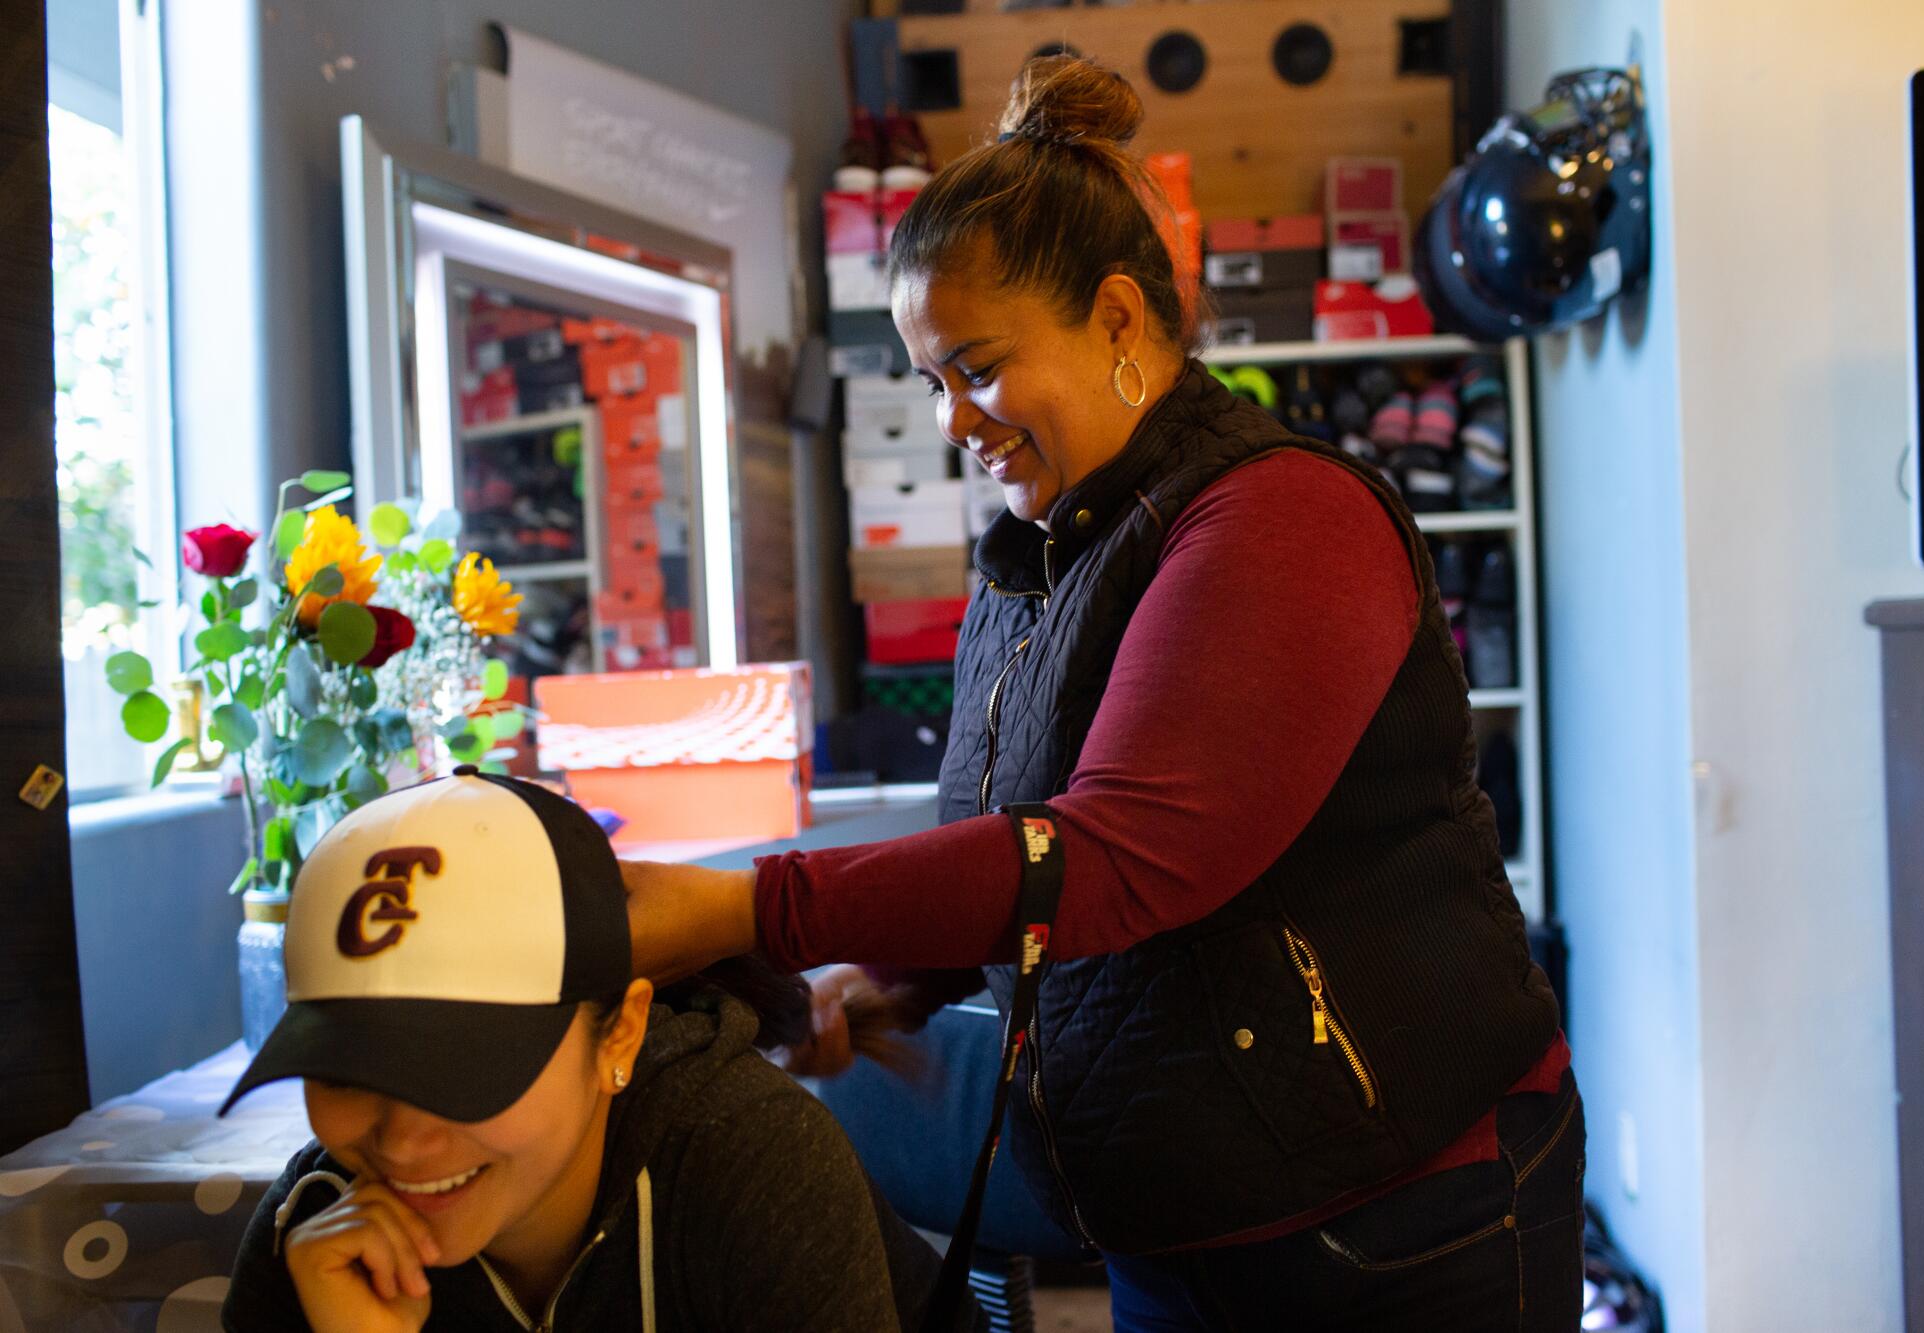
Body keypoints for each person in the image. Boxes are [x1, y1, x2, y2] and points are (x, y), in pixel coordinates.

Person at [624, 55, 1582, 1333]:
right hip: (1179, 1203)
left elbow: (1120, 857)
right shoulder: (1043, 554)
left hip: (1392, 1212)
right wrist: (899, 979)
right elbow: (1016, 843)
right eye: (929, 381)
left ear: (1119, 321)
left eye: (976, 365)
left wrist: (744, 906)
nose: (954, 417)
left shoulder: (1279, 518)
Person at [220, 767, 970, 1333]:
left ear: (621, 1031)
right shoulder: (314, 1233)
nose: (405, 1139)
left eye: (470, 1068)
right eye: (350, 1068)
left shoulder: (748, 1167)